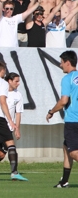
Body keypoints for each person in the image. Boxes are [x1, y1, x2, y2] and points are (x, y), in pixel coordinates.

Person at [46, 50, 78, 188]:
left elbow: (64, 100)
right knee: (66, 147)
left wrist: (51, 111)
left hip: (73, 120)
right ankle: (64, 181)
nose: (60, 65)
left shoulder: (67, 78)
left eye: (61, 62)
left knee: (73, 151)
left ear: (68, 62)